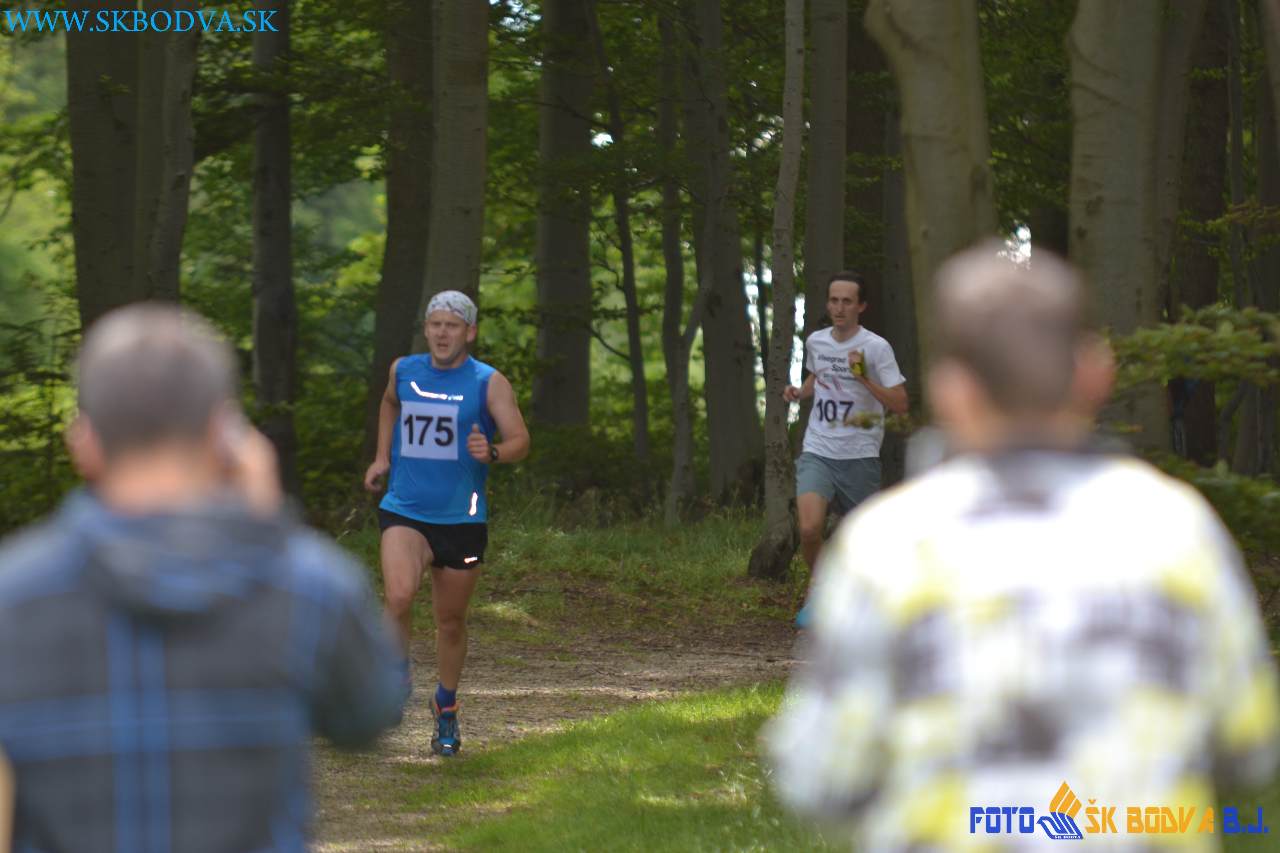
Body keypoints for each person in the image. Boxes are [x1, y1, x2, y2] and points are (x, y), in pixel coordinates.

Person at [766, 245, 1280, 851]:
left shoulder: (888, 545)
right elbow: (1252, 750)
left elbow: (821, 777)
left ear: (953, 392)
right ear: (1095, 374)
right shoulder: (1178, 529)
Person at [0, 304, 404, 853]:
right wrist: (264, 526)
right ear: (224, 435)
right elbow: (372, 712)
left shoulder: (14, 597)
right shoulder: (306, 583)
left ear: (84, 442)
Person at [364, 290, 530, 757]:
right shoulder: (405, 370)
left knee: (450, 621)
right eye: (435, 324)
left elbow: (520, 440)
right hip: (406, 508)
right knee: (398, 594)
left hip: (462, 517)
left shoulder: (488, 383)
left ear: (470, 333)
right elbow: (389, 403)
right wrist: (382, 457)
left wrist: (493, 452)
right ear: (426, 330)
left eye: (452, 326)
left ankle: (446, 707)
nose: (442, 333)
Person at [783, 272, 908, 623]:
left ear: (861, 306)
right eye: (834, 300)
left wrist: (864, 378)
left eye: (847, 301)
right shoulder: (816, 342)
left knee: (867, 543)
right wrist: (799, 392)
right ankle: (821, 589)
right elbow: (816, 375)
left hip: (860, 455)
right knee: (809, 529)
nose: (839, 308)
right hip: (818, 449)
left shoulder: (876, 348)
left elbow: (900, 403)